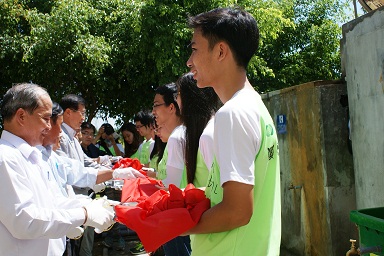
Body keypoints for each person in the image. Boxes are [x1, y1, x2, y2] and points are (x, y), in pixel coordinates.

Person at [184, 7, 281, 256]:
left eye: (194, 49)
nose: (189, 61)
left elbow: (237, 211)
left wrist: (176, 226)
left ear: (220, 51)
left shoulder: (232, 113)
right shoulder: (255, 107)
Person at [0, 83, 115, 256]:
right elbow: (26, 221)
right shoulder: (6, 158)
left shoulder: (30, 156)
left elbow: (51, 202)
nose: (49, 127)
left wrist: (86, 205)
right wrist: (84, 214)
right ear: (21, 116)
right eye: (45, 118)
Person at [152, 82, 191, 256]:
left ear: (172, 107)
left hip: (176, 218)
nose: (153, 111)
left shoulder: (177, 138)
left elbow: (172, 187)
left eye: (156, 105)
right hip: (184, 217)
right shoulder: (182, 134)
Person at [175, 72, 220, 188]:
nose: (176, 100)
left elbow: (222, 189)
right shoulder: (206, 131)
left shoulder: (209, 135)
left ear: (190, 99)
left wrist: (185, 193)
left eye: (179, 94)